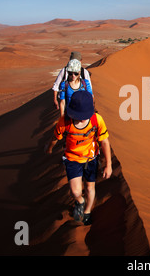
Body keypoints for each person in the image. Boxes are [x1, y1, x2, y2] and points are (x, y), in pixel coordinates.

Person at [45, 91, 112, 225]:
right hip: (72, 159)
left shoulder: (96, 119)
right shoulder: (64, 122)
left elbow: (105, 141)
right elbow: (55, 137)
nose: (83, 118)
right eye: (80, 115)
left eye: (85, 115)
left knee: (89, 187)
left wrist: (109, 164)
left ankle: (87, 211)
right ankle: (80, 202)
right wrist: (49, 147)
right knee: (75, 191)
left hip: (91, 159)